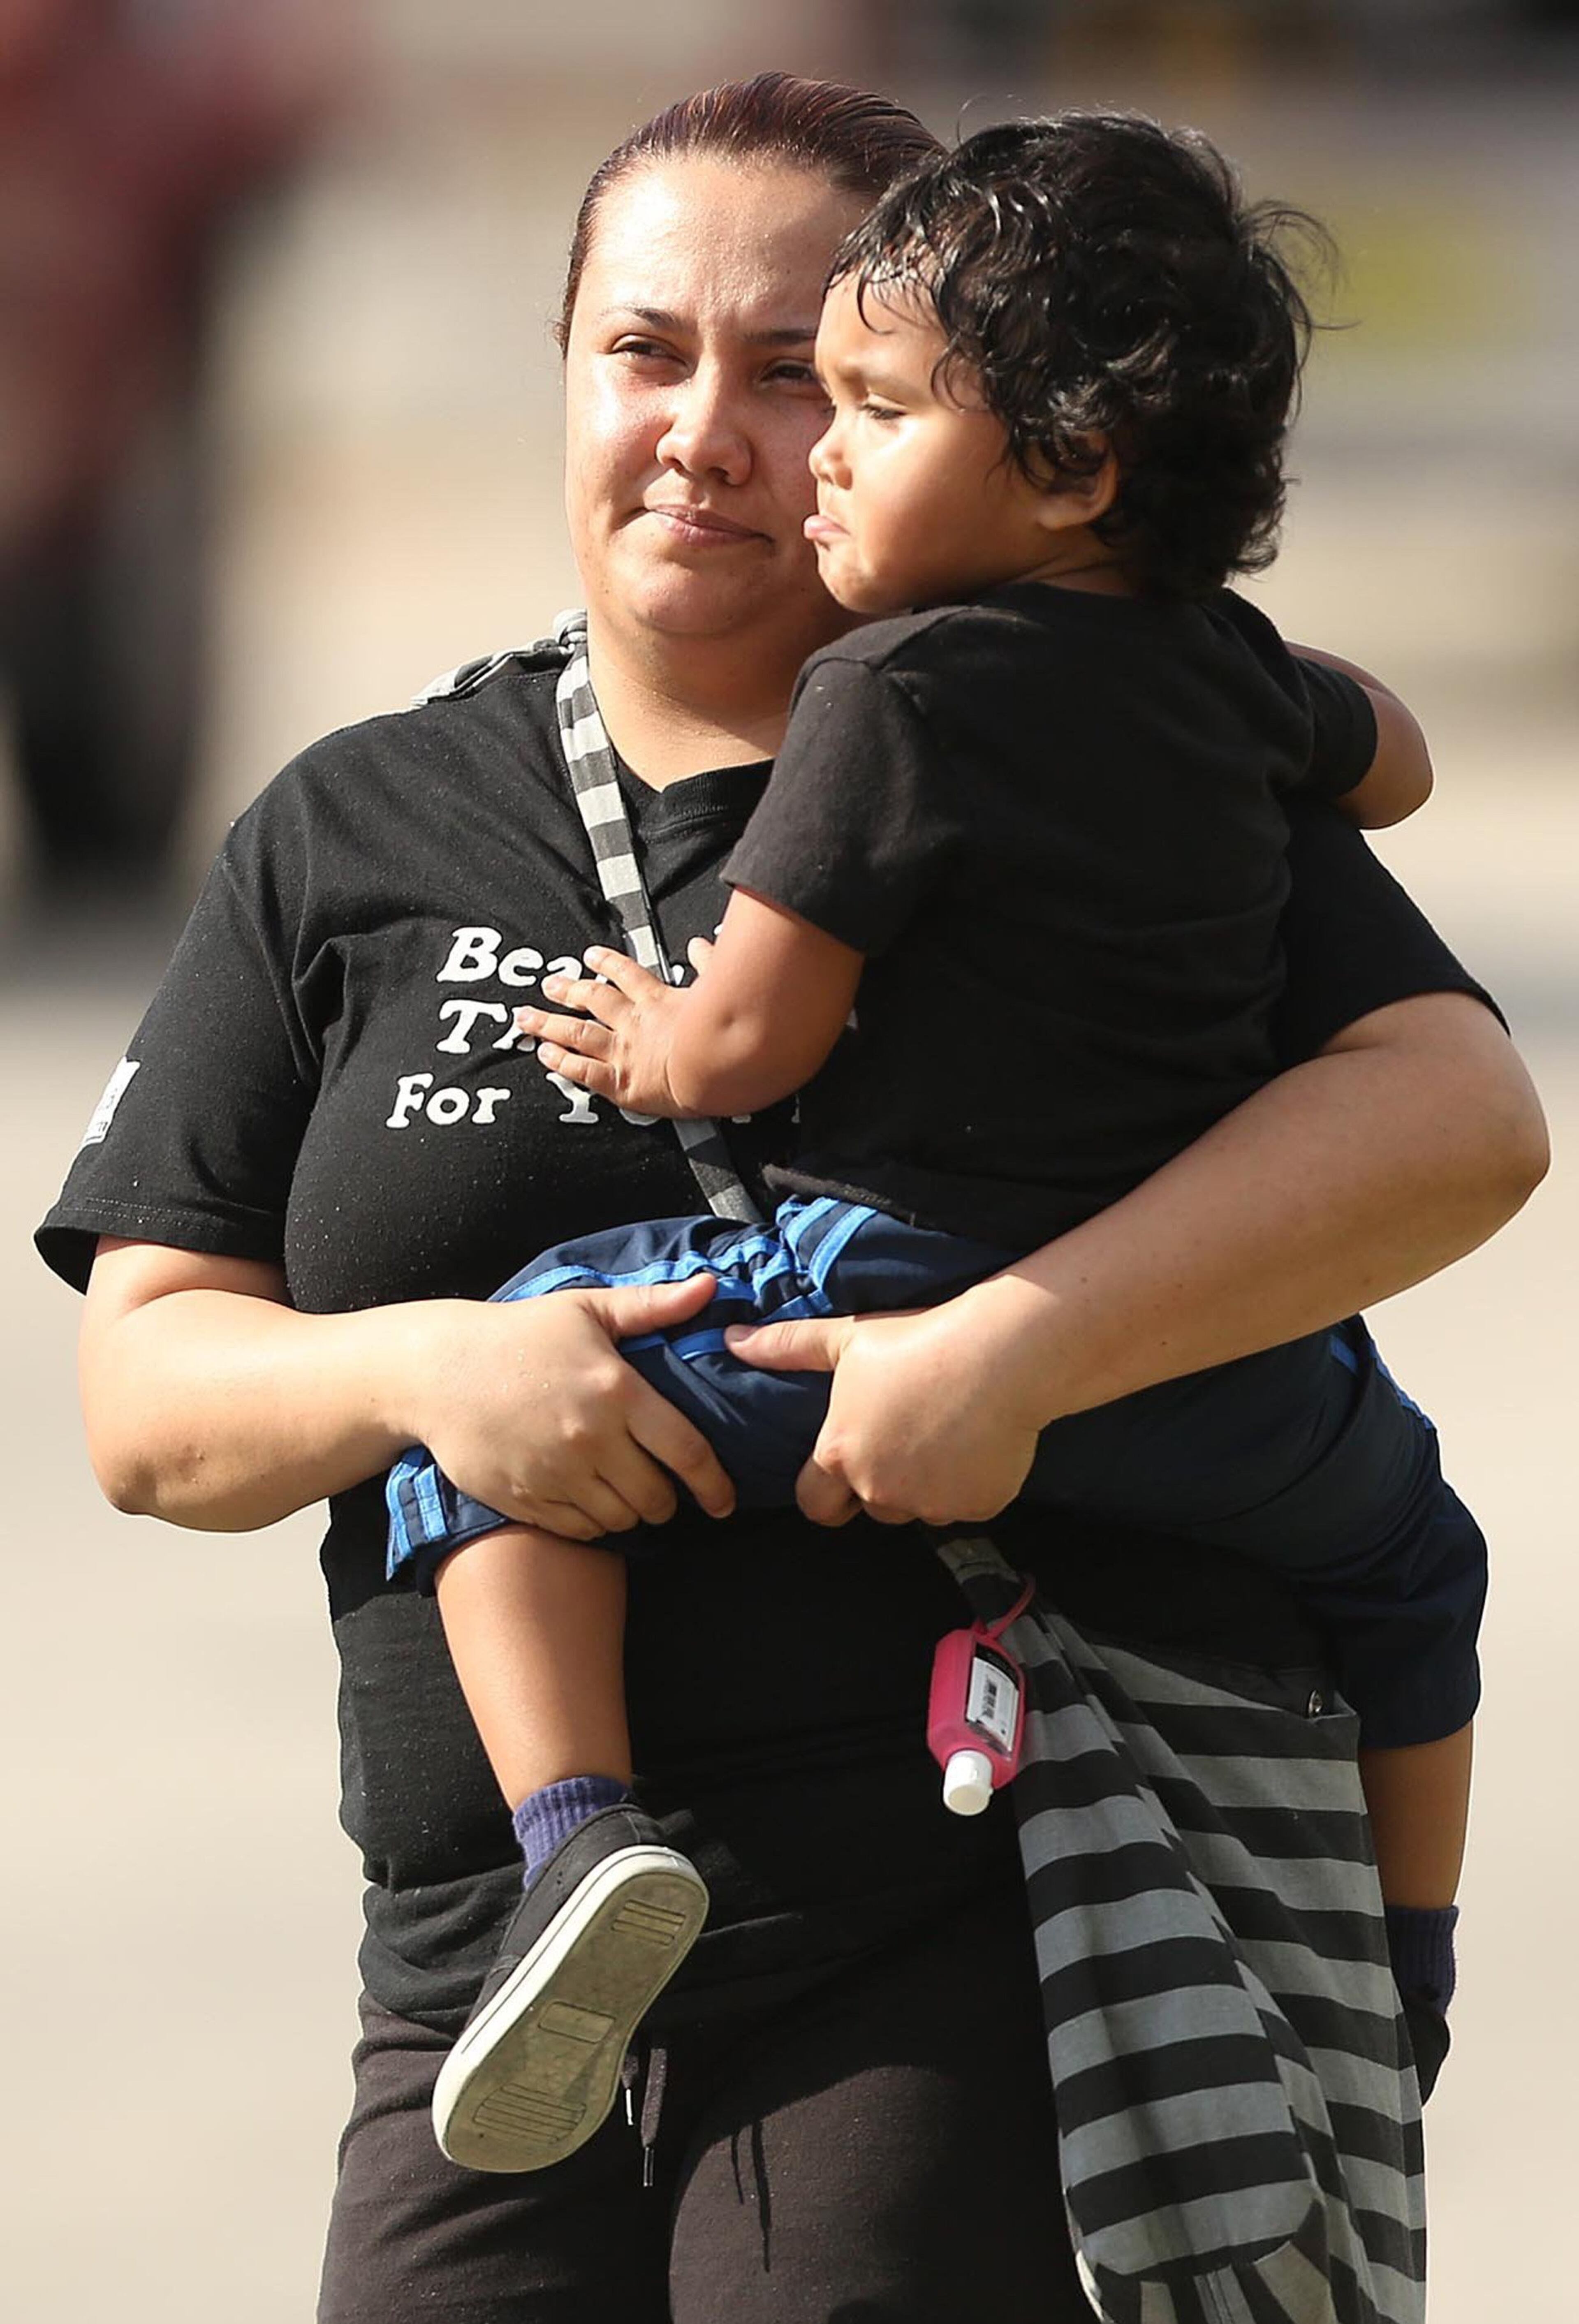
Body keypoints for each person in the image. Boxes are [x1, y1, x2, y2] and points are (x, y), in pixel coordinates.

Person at [37, 74, 1546, 2324]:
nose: (720, 437)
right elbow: (151, 1409)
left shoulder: (1077, 752)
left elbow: (1456, 1116)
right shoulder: (353, 825)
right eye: (646, 354)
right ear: (560, 375)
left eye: (800, 374)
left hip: (956, 1936)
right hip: (480, 1992)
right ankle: (577, 1847)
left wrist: (1020, 1347)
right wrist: (441, 1378)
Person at [386, 115, 1480, 2177]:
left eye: (866, 407)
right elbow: (1400, 762)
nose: (817, 460)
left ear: (1070, 469)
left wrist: (646, 1042)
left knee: (497, 1406)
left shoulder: (884, 695)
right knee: (1423, 1558)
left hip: (900, 1303)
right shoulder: (1237, 676)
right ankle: (1406, 1967)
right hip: (1199, 1355)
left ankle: (577, 1845)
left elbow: (752, 1035)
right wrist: (1243, 678)